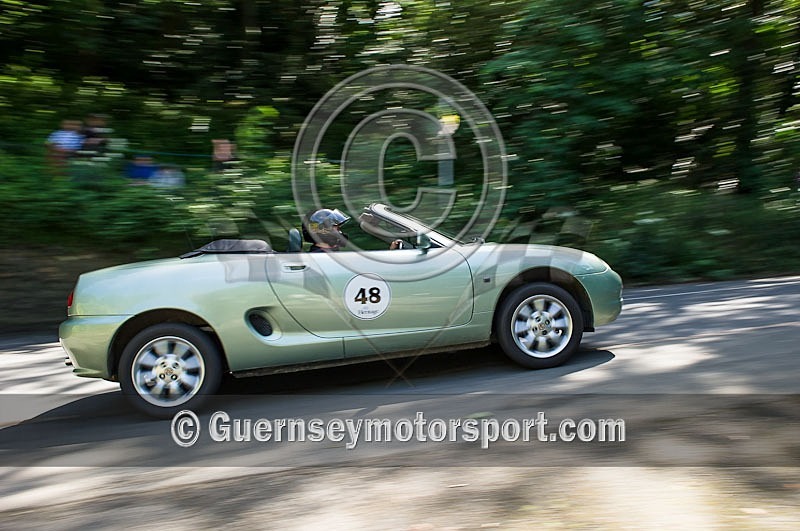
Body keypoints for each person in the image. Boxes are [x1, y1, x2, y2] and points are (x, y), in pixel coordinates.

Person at [303, 208, 405, 252]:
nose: (339, 232)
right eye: (336, 227)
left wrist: (391, 253)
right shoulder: (321, 258)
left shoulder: (330, 253)